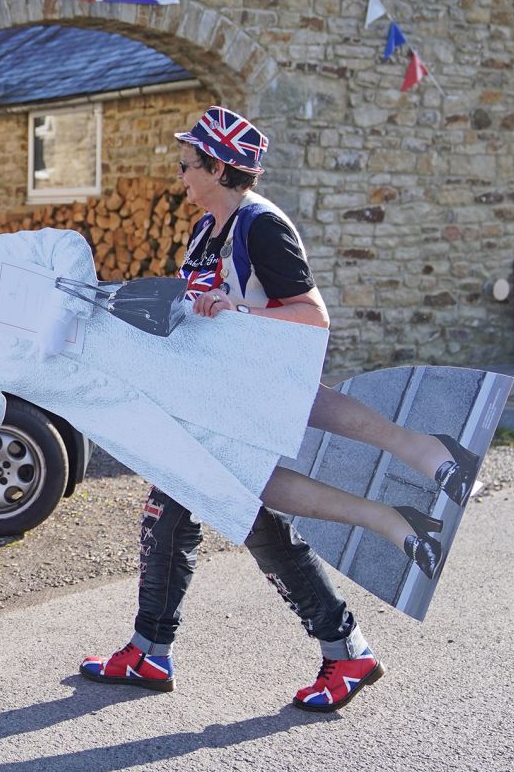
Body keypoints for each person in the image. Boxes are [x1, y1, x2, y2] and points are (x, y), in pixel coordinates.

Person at [0, 221, 472, 702]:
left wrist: (64, 314)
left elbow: (68, 247)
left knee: (273, 399)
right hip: (121, 414)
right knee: (230, 488)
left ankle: (419, 460)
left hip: (152, 347)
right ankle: (355, 592)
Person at [78, 105, 485, 712]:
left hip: (253, 400)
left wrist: (234, 311)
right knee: (190, 509)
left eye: (189, 164)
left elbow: (310, 317)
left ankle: (337, 645)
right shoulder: (206, 229)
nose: (181, 174)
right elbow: (199, 308)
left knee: (243, 516)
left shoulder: (261, 227)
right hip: (216, 400)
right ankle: (158, 648)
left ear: (218, 166)